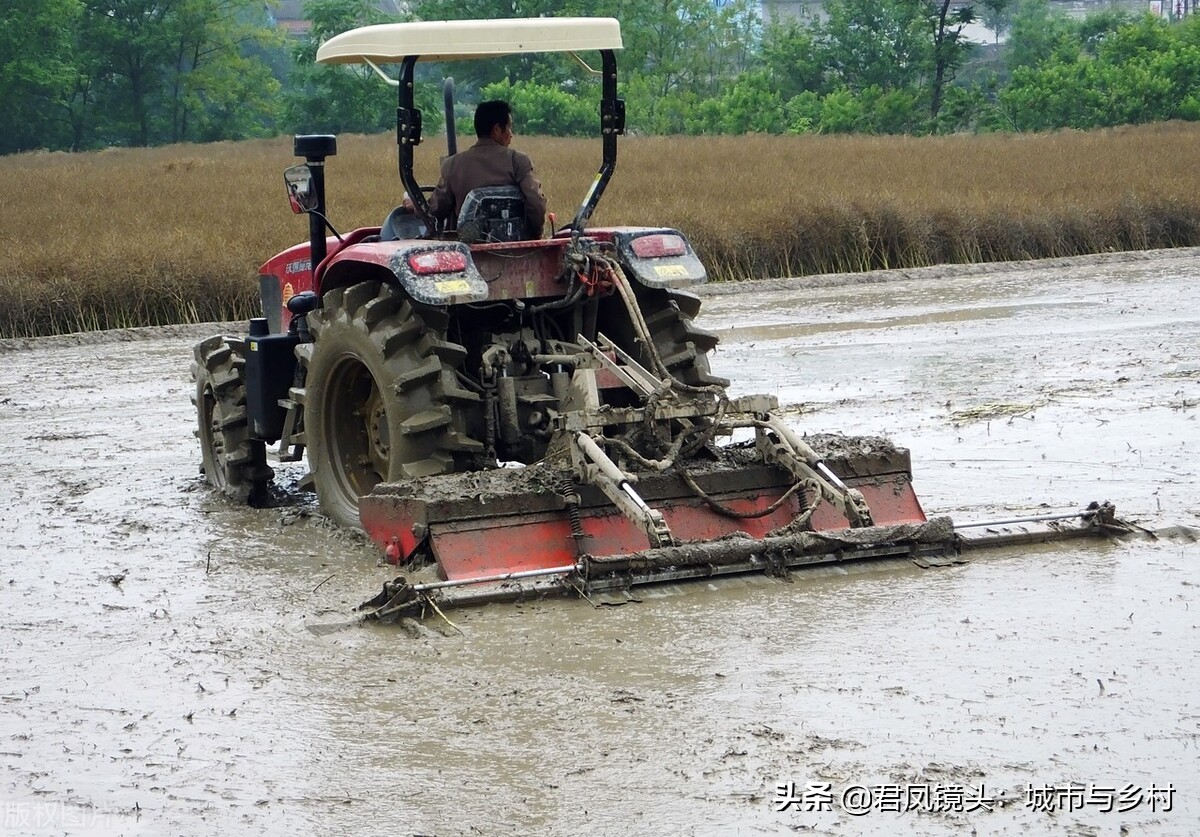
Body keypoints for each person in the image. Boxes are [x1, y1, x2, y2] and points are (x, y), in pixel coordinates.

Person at [426, 100, 547, 238]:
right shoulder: (517, 161)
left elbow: (436, 209)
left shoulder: (452, 164)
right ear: (496, 130)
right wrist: (534, 236)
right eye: (509, 128)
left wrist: (415, 207)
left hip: (470, 250)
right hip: (515, 248)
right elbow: (536, 203)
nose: (511, 134)